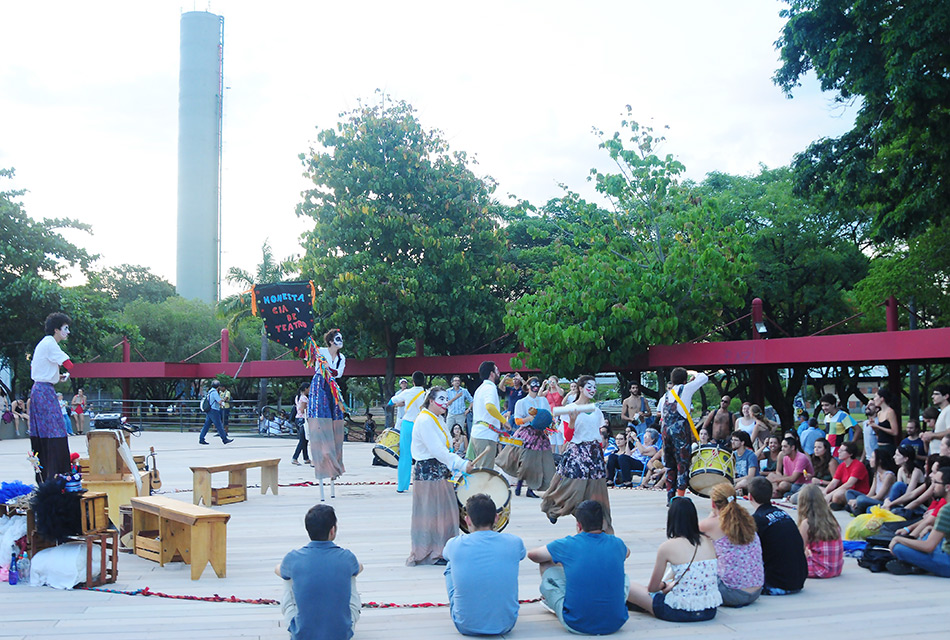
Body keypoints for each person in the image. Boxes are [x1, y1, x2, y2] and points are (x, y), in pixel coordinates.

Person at [528, 500, 629, 635]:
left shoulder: (567, 544)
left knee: (546, 563)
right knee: (625, 578)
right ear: (603, 522)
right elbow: (627, 553)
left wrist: (561, 558)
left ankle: (552, 601)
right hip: (616, 622)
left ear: (579, 525)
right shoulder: (617, 543)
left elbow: (533, 555)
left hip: (577, 623)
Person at [407, 386, 475, 566]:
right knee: (432, 513)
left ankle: (444, 550)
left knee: (445, 513)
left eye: (447, 399)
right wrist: (461, 464)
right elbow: (437, 451)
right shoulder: (424, 420)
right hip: (429, 471)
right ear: (431, 401)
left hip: (441, 471)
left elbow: (445, 449)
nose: (446, 403)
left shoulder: (436, 418)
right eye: (442, 399)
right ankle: (432, 553)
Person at [443, 494, 526, 636]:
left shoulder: (454, 544)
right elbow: (521, 555)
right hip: (507, 623)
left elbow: (445, 555)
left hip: (464, 625)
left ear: (467, 520)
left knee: (451, 565)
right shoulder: (515, 542)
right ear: (496, 518)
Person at [627, 497, 722, 621]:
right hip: (709, 610)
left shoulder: (667, 547)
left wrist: (664, 585)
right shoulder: (708, 541)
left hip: (677, 611)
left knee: (629, 586)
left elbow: (652, 588)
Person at [277, 504, 362, 640]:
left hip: (302, 635)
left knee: (287, 577)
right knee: (351, 573)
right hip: (342, 634)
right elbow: (359, 568)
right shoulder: (347, 557)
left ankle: (298, 626)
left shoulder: (293, 558)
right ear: (332, 530)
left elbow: (279, 570)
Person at [541, 376, 614, 532]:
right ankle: (554, 509)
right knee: (573, 489)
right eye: (589, 386)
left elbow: (599, 434)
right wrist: (572, 422)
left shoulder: (596, 410)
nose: (593, 390)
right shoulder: (569, 409)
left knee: (596, 492)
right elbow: (567, 437)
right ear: (580, 388)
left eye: (594, 387)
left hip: (594, 454)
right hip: (578, 453)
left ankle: (602, 526)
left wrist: (601, 453)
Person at [698, 483, 763, 607]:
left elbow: (688, 535)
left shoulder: (711, 524)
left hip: (732, 592)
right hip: (756, 589)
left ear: (713, 504)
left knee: (700, 542)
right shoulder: (746, 520)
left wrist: (712, 514)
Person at [29, 312, 75, 482]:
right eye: (65, 328)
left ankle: (49, 472)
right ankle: (55, 473)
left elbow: (42, 370)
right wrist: (82, 370)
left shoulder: (45, 344)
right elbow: (68, 363)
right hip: (44, 392)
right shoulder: (50, 344)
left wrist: (57, 377)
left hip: (42, 389)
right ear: (56, 329)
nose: (67, 332)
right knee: (54, 430)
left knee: (47, 431)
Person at [748, 476, 807, 595]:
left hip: (776, 584)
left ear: (750, 497)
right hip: (798, 580)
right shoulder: (783, 513)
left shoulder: (757, 520)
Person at [887, 466, 950, 577]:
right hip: (944, 550)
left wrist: (899, 539)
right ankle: (915, 565)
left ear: (947, 487)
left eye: (936, 482)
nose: (933, 485)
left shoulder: (946, 510)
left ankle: (915, 565)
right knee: (927, 533)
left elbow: (928, 546)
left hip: (947, 562)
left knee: (898, 547)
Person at [497, 378, 555, 497]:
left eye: (537, 384)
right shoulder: (522, 402)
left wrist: (549, 425)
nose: (535, 386)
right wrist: (529, 419)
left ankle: (530, 487)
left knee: (540, 462)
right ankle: (520, 483)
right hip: (527, 433)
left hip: (540, 434)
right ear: (528, 386)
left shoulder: (543, 400)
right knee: (526, 461)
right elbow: (517, 420)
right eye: (533, 384)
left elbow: (549, 416)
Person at [660, 368, 711, 502]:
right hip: (680, 433)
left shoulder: (665, 396)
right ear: (684, 380)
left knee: (670, 467)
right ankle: (680, 498)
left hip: (665, 433)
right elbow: (704, 377)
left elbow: (661, 413)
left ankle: (669, 498)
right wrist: (693, 378)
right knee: (682, 465)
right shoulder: (686, 389)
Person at [308, 329, 347, 487]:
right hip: (320, 385)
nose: (341, 341)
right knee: (320, 420)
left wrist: (329, 370)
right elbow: (310, 355)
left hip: (332, 387)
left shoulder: (341, 357)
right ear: (331, 341)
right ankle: (323, 461)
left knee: (336, 421)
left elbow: (338, 373)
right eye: (337, 338)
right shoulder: (321, 351)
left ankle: (335, 462)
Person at [389, 370, 426, 492]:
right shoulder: (427, 394)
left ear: (413, 381)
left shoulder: (407, 392)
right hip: (421, 425)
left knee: (405, 456)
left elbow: (392, 401)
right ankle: (424, 484)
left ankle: (402, 487)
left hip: (407, 424)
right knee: (423, 455)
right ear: (424, 382)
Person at [796, 483, 844, 578]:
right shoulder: (831, 518)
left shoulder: (807, 523)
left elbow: (798, 551)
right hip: (835, 568)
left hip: (819, 570)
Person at [469, 361, 506, 470]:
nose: (499, 373)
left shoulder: (480, 388)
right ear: (492, 374)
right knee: (485, 471)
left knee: (480, 470)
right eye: (497, 370)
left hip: (479, 433)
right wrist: (503, 420)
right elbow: (489, 406)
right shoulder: (490, 388)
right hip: (485, 435)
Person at [846, 447, 897, 514]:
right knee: (849, 492)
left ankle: (856, 509)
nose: (870, 459)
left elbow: (879, 496)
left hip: (883, 502)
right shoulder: (876, 474)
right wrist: (857, 500)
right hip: (874, 500)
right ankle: (857, 509)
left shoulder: (889, 476)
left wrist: (857, 500)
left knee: (861, 499)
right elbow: (871, 493)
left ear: (879, 460)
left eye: (872, 457)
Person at [822, 441, 870, 509]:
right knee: (818, 489)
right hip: (845, 490)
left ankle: (840, 505)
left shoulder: (858, 465)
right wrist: (825, 491)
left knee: (837, 495)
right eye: (839, 450)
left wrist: (830, 494)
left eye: (842, 450)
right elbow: (834, 482)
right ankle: (833, 503)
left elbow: (849, 484)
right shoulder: (842, 465)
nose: (839, 452)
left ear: (850, 454)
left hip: (856, 493)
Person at [883, 444, 926, 509]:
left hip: (914, 503)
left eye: (897, 455)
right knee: (870, 509)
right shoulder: (901, 470)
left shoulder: (916, 471)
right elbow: (896, 493)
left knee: (899, 485)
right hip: (901, 502)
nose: (894, 457)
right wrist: (887, 500)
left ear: (906, 458)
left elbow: (909, 494)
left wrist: (891, 503)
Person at [199, 380, 232, 446]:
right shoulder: (214, 392)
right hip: (214, 410)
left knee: (207, 425)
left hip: (210, 410)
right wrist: (222, 402)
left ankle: (201, 438)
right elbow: (219, 401)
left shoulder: (210, 392)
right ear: (218, 386)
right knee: (219, 425)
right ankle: (224, 439)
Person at [922, 384, 950, 455]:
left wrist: (932, 435)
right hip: (936, 454)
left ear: (946, 396)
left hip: (943, 456)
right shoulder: (943, 411)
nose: (932, 396)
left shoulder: (948, 410)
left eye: (936, 394)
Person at [871, 387, 900, 455]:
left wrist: (878, 427)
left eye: (876, 397)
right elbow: (879, 433)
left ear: (882, 399)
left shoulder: (890, 412)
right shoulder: (879, 413)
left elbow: (895, 432)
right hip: (879, 445)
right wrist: (873, 427)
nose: (874, 399)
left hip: (888, 446)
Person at [731, 430, 759, 495]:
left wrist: (734, 481)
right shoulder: (733, 455)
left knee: (744, 482)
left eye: (735, 440)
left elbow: (750, 476)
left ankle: (730, 491)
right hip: (738, 481)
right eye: (732, 440)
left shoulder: (751, 455)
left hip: (751, 482)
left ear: (742, 443)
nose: (732, 442)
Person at [291, 383, 310, 466]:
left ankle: (306, 458)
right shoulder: (304, 398)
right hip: (302, 419)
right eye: (309, 388)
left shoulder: (297, 397)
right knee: (303, 440)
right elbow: (302, 410)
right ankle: (295, 457)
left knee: (305, 439)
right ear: (305, 389)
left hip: (298, 418)